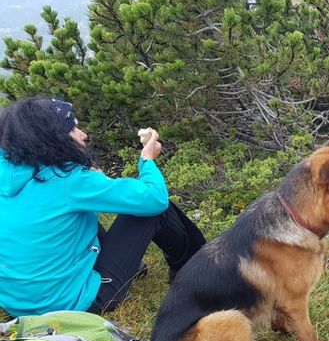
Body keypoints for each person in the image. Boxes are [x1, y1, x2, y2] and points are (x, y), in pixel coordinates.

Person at [0, 97, 206, 317]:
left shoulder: (9, 171)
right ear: (52, 139)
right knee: (154, 211)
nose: (82, 134)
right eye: (73, 129)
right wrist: (147, 160)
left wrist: (92, 180)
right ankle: (194, 270)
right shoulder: (70, 180)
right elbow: (154, 198)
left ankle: (129, 267)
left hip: (17, 306)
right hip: (73, 305)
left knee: (72, 215)